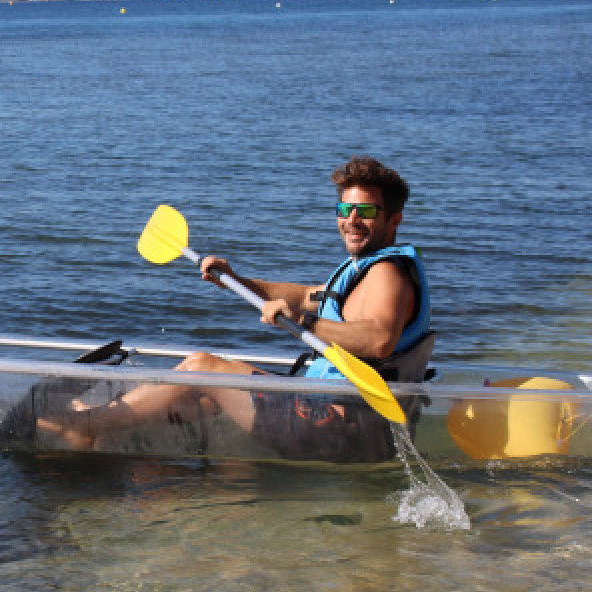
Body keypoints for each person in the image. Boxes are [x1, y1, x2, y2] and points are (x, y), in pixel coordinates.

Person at [38, 156, 433, 462]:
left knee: (203, 368)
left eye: (365, 212)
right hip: (338, 419)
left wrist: (305, 321)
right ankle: (109, 430)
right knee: (203, 399)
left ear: (394, 219)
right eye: (344, 211)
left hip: (338, 428)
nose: (351, 221)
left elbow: (379, 340)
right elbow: (303, 296)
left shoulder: (387, 275)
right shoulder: (363, 271)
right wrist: (236, 279)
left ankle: (85, 427)